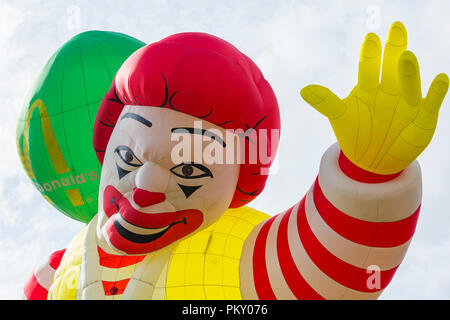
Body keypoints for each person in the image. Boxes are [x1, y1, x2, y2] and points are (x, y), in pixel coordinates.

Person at [24, 21, 448, 300]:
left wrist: (368, 175)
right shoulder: (59, 270)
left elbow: (331, 264)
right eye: (129, 158)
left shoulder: (245, 250)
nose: (146, 187)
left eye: (188, 169)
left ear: (235, 185)